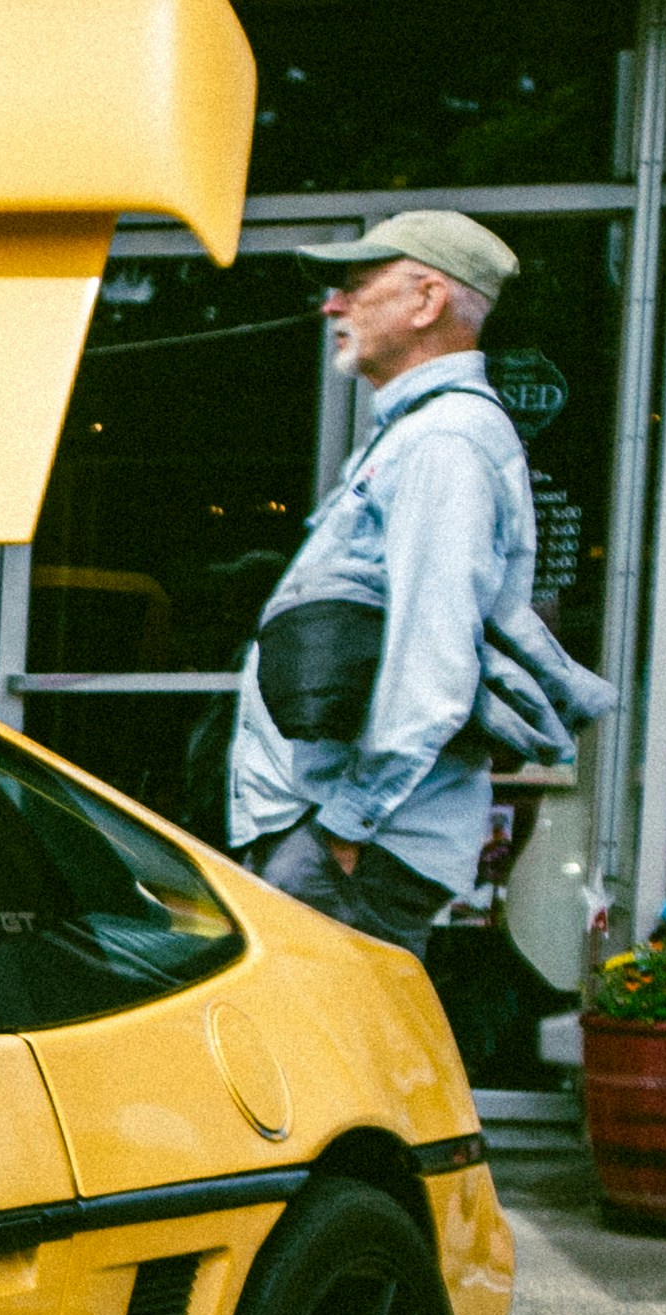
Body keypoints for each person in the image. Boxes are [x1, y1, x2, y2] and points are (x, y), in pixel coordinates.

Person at [223, 208, 532, 956]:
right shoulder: (425, 433)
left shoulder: (443, 443)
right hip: (343, 843)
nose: (333, 303)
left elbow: (435, 657)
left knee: (319, 1064)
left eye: (357, 285)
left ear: (427, 301)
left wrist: (345, 828)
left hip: (350, 847)